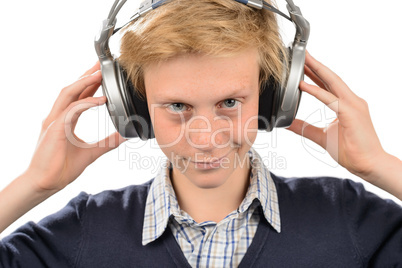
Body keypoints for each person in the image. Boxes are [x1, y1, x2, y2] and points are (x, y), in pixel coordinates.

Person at [1, 0, 401, 267]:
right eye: (178, 107)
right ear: (133, 106)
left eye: (229, 102)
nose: (206, 138)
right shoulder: (86, 228)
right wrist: (34, 185)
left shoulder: (347, 216)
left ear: (271, 96)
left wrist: (380, 167)